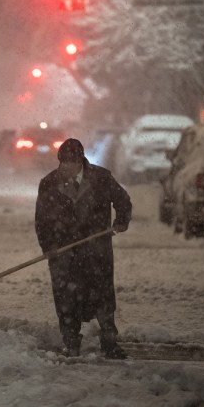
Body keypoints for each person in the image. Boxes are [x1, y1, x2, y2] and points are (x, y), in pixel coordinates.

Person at [35, 138, 132, 359]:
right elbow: (41, 220)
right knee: (66, 298)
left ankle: (109, 342)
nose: (65, 168)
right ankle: (71, 342)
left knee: (103, 297)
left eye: (70, 163)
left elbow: (122, 200)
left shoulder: (101, 178)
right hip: (63, 253)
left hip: (96, 251)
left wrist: (121, 220)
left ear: (80, 161)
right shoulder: (49, 183)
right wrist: (48, 247)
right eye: (62, 163)